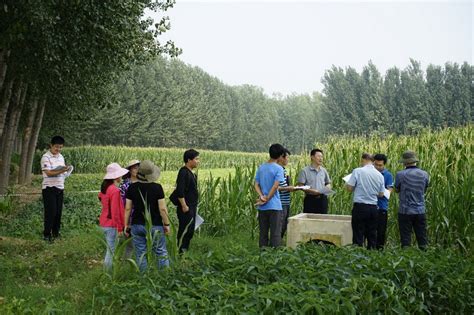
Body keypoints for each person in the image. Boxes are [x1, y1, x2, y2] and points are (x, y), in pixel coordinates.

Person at [125, 160, 171, 271]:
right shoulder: (157, 188)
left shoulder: (132, 188)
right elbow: (163, 209)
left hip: (137, 225)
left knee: (140, 252)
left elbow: (127, 208)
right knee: (160, 251)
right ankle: (165, 276)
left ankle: (143, 278)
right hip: (155, 225)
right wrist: (167, 224)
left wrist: (126, 225)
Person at [345, 153, 385, 249]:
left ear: (363, 160)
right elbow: (381, 194)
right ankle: (371, 255)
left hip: (360, 207)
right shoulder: (379, 175)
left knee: (358, 233)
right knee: (372, 234)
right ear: (372, 161)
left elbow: (350, 188)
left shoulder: (358, 171)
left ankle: (358, 256)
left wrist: (347, 184)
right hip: (373, 208)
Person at [395, 151, 429, 250]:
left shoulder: (400, 174)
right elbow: (425, 189)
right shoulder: (424, 174)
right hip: (420, 210)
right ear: (415, 161)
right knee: (422, 237)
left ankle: (407, 258)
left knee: (405, 238)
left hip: (405, 211)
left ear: (404, 163)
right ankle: (424, 257)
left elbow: (397, 189)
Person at [40, 135, 72, 242]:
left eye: (60, 147)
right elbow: (48, 173)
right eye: (56, 147)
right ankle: (46, 234)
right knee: (51, 212)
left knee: (58, 212)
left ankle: (55, 233)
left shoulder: (61, 157)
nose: (58, 149)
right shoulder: (46, 157)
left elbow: (61, 172)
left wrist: (67, 171)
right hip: (49, 188)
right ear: (51, 145)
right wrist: (61, 171)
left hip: (60, 187)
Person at [98, 163, 129, 271]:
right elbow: (115, 211)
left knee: (110, 249)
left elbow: (100, 198)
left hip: (104, 222)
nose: (121, 177)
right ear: (116, 177)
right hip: (112, 224)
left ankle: (109, 272)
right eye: (119, 175)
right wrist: (120, 228)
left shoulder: (105, 188)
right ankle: (107, 274)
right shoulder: (115, 190)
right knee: (110, 251)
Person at [255, 143, 286, 248]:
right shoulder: (279, 169)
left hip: (262, 206)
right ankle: (274, 258)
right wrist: (267, 198)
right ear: (280, 155)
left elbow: (256, 184)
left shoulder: (261, 167)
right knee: (275, 234)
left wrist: (262, 196)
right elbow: (275, 186)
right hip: (274, 206)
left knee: (263, 233)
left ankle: (262, 256)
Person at [175, 149, 200, 254]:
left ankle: (184, 251)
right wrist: (184, 205)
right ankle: (180, 252)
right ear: (189, 160)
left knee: (190, 231)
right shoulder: (183, 172)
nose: (198, 161)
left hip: (192, 206)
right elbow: (180, 191)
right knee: (185, 230)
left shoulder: (191, 173)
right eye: (196, 159)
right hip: (186, 207)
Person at [297, 149, 332, 214]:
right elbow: (300, 185)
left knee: (322, 220)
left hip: (322, 199)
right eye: (318, 156)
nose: (321, 158)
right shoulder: (305, 171)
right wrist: (312, 191)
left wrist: (327, 188)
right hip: (310, 199)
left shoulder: (324, 170)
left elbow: (328, 183)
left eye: (322, 157)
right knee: (309, 220)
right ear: (312, 157)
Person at [119, 159, 140, 258]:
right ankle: (126, 262)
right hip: (129, 215)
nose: (137, 170)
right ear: (130, 170)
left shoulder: (143, 183)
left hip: (140, 215)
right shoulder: (125, 184)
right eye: (135, 168)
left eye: (138, 168)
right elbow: (121, 202)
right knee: (129, 243)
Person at [373, 153, 394, 250]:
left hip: (381, 207)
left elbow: (389, 191)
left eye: (380, 165)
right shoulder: (369, 173)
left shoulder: (388, 175)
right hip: (370, 207)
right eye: (376, 164)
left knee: (381, 233)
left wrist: (378, 191)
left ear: (384, 165)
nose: (377, 167)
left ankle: (379, 252)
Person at [277, 148, 295, 239]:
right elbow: (276, 187)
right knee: (280, 225)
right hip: (280, 202)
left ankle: (278, 243)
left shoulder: (283, 170)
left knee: (284, 224)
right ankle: (275, 246)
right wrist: (290, 188)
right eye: (287, 157)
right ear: (281, 158)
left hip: (286, 201)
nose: (288, 160)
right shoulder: (278, 170)